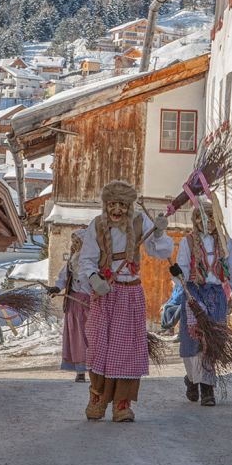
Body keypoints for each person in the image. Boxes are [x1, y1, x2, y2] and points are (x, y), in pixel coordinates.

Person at [78, 180, 172, 422]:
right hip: (105, 294)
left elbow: (160, 251)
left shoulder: (141, 222)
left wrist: (159, 233)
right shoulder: (96, 226)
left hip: (130, 294)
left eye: (122, 205)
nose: (117, 210)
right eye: (112, 205)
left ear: (129, 206)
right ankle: (97, 399)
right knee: (101, 347)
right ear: (105, 205)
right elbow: (86, 259)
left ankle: (122, 404)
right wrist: (93, 278)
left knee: (128, 350)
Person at [171, 196, 232, 407]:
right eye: (203, 218)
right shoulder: (188, 242)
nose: (208, 223)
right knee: (192, 341)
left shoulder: (225, 242)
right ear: (196, 221)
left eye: (212, 217)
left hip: (216, 296)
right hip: (194, 294)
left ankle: (207, 388)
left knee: (212, 343)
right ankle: (191, 378)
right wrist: (179, 277)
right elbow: (182, 270)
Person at [46, 231, 90, 382]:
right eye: (73, 242)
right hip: (74, 304)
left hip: (89, 303)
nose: (74, 245)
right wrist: (57, 288)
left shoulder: (91, 261)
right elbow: (64, 278)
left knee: (89, 336)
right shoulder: (72, 261)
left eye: (77, 242)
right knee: (77, 336)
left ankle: (96, 367)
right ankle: (80, 370)